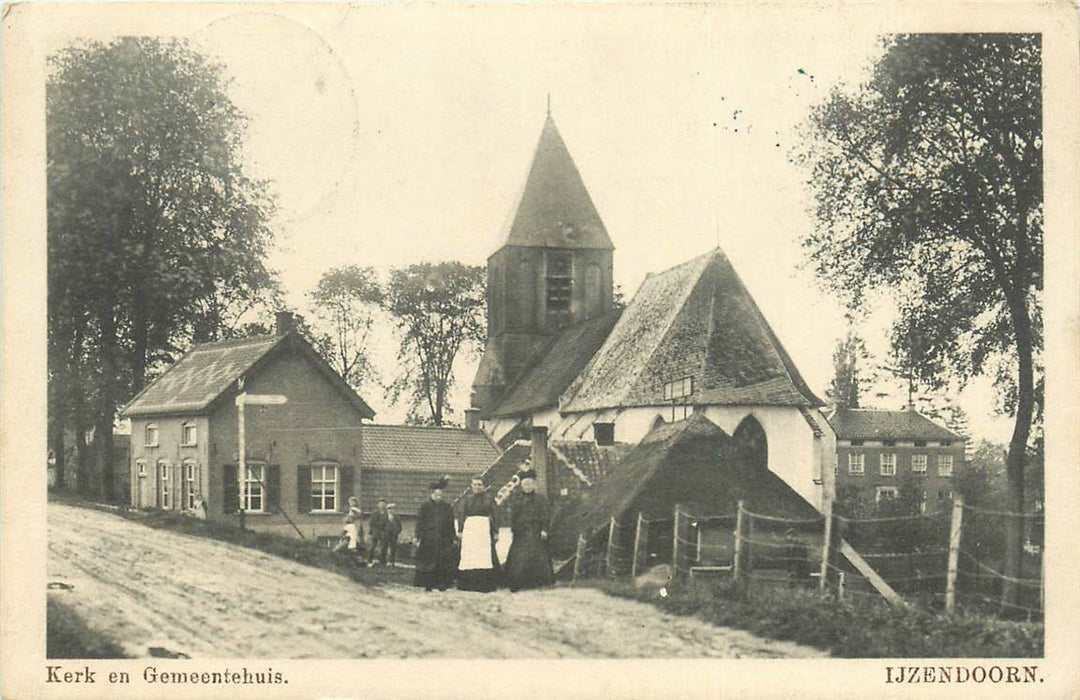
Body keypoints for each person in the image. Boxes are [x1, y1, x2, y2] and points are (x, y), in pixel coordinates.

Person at [503, 469, 553, 591]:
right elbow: (512, 515)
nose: (527, 487)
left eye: (530, 484)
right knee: (519, 556)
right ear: (521, 486)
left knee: (537, 554)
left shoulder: (541, 500)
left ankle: (537, 582)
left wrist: (544, 529)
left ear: (534, 485)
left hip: (536, 531)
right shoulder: (517, 499)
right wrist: (513, 528)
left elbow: (545, 515)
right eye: (525, 484)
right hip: (521, 532)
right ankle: (518, 581)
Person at [454, 476, 501, 592]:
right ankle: (467, 584)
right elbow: (461, 515)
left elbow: (496, 516)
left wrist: (495, 531)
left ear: (484, 486)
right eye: (475, 485)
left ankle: (484, 585)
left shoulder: (489, 499)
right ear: (471, 486)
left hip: (484, 528)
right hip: (470, 529)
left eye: (479, 485)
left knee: (483, 554)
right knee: (470, 554)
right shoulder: (466, 499)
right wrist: (460, 530)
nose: (477, 487)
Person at [413, 475, 457, 591]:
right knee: (428, 562)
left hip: (443, 538)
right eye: (436, 495)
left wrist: (453, 537)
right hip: (429, 538)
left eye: (440, 495)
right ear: (431, 495)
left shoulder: (447, 507)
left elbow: (450, 523)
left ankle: (442, 584)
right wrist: (417, 537)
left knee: (442, 562)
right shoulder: (425, 507)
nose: (438, 497)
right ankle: (427, 584)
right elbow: (420, 523)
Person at [367, 498, 390, 567]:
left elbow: (388, 523)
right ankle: (370, 560)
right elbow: (371, 523)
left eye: (384, 504)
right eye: (381, 504)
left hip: (384, 532)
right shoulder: (375, 513)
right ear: (378, 505)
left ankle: (383, 561)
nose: (382, 505)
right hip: (376, 531)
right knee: (373, 546)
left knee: (384, 547)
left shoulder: (387, 514)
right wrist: (376, 528)